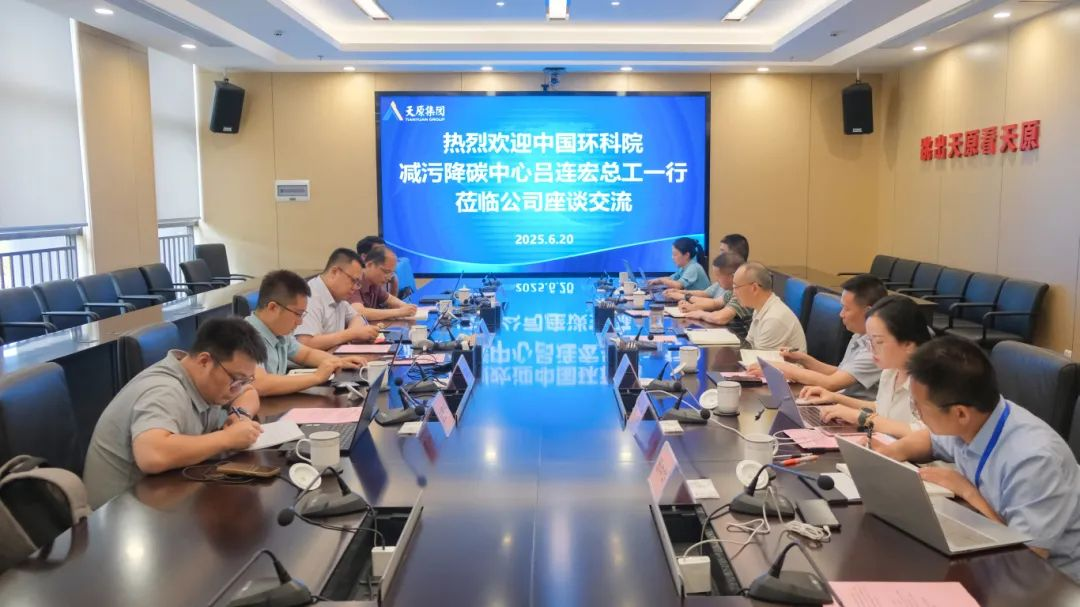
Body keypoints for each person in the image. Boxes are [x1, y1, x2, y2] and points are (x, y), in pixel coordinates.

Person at [878, 337, 1080, 583]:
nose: (917, 413)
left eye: (919, 407)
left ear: (960, 413)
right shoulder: (978, 418)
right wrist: (891, 453)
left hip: (1054, 582)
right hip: (988, 548)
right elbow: (931, 439)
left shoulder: (1035, 461)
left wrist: (968, 492)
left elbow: (1026, 559)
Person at [82, 318, 268, 509]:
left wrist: (240, 416)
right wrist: (227, 438)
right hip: (121, 512)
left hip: (164, 493)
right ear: (204, 361)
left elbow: (248, 392)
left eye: (244, 380)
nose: (237, 388)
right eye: (236, 379)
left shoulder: (205, 377)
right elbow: (152, 455)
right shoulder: (164, 391)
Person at [798, 296, 932, 438]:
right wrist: (835, 398)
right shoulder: (890, 371)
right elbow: (881, 408)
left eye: (878, 342)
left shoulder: (931, 380)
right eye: (870, 341)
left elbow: (927, 435)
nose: (871, 350)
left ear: (908, 344)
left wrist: (862, 418)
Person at [757, 274, 886, 399]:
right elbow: (839, 372)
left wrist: (783, 369)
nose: (841, 314)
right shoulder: (859, 334)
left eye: (846, 309)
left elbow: (831, 383)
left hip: (854, 409)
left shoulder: (875, 347)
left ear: (868, 312)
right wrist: (802, 359)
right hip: (839, 401)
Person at [245, 270, 370, 396]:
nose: (300, 322)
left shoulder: (279, 332)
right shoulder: (244, 337)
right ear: (273, 308)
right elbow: (260, 384)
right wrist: (316, 377)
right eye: (298, 314)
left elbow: (306, 354)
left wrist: (338, 362)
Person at [295, 248, 379, 351]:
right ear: (334, 272)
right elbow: (305, 343)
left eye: (358, 283)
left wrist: (354, 332)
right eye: (353, 281)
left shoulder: (339, 296)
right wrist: (351, 334)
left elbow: (357, 317)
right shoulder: (310, 296)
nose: (355, 287)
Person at [735, 262, 807, 351]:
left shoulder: (773, 319)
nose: (734, 293)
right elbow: (749, 344)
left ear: (754, 288)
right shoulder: (761, 308)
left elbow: (759, 358)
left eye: (736, 287)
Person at [671, 253, 754, 327]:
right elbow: (715, 303)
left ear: (733, 276)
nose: (716, 280)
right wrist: (691, 307)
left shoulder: (743, 292)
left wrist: (701, 314)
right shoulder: (731, 291)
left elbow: (721, 318)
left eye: (718, 276)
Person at [349, 244, 418, 322]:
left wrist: (407, 307)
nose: (389, 278)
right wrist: (399, 312)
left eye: (391, 273)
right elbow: (359, 312)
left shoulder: (374, 282)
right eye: (386, 272)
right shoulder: (353, 281)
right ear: (369, 265)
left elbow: (389, 299)